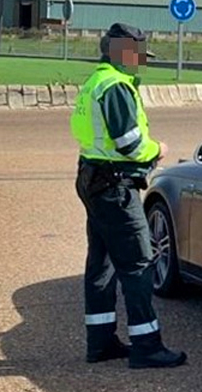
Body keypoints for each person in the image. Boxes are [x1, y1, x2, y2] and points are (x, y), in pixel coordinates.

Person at [70, 23, 187, 369]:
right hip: (115, 185)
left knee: (102, 263)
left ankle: (101, 342)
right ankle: (147, 345)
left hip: (93, 179)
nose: (140, 62)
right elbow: (130, 144)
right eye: (137, 55)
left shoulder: (96, 81)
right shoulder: (116, 86)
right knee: (138, 265)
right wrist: (159, 150)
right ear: (121, 52)